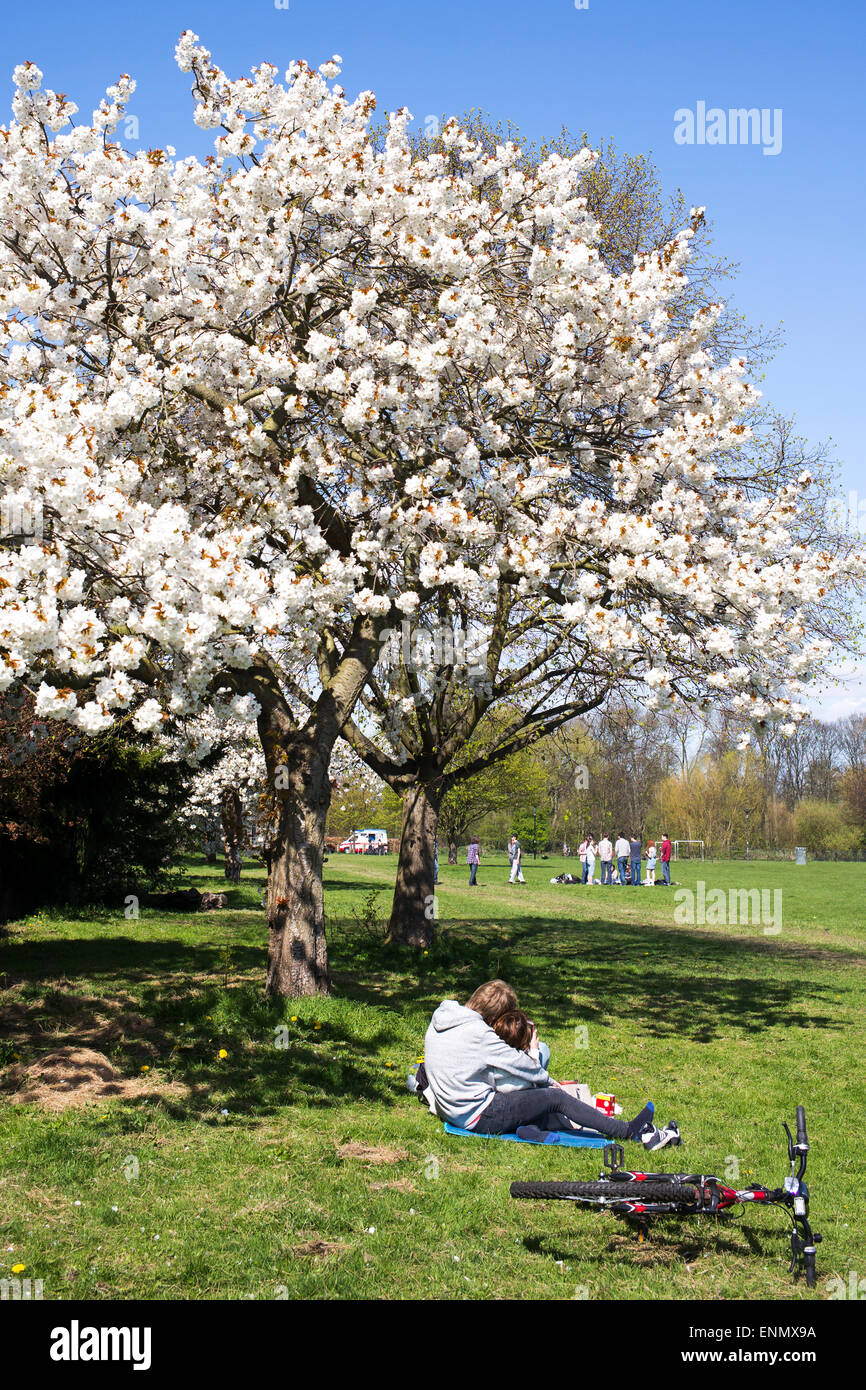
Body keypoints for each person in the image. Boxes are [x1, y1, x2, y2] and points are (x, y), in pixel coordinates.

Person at [422, 980, 680, 1149]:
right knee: (554, 1097)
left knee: (536, 1095)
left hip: (452, 1107)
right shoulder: (480, 1035)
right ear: (496, 1016)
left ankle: (529, 1128)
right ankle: (627, 1131)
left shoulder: (443, 1016)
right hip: (477, 1114)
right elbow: (524, 1067)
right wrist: (544, 1076)